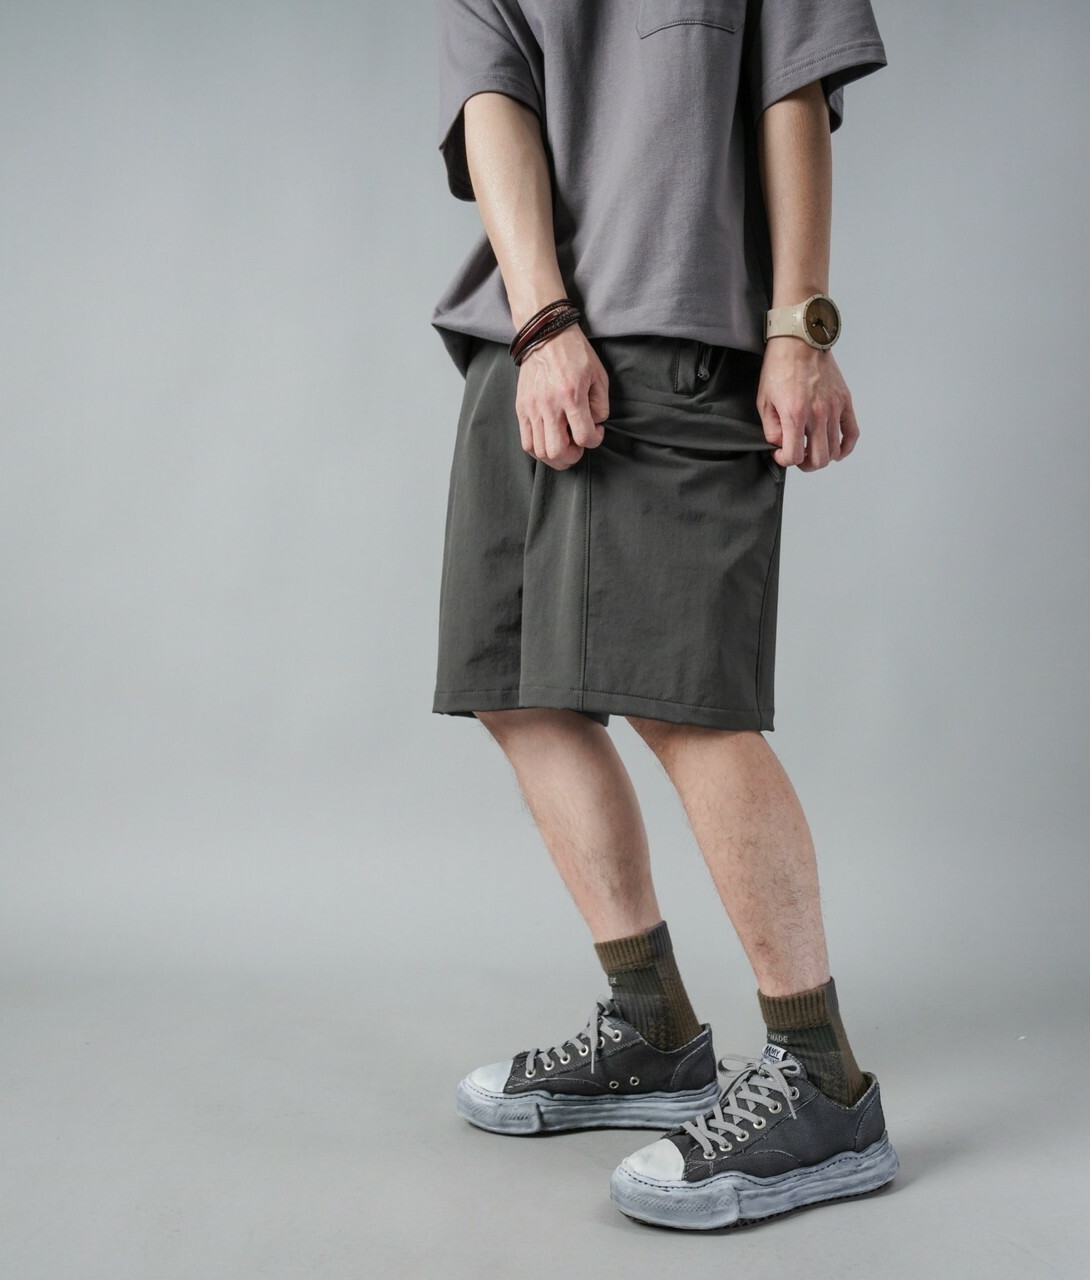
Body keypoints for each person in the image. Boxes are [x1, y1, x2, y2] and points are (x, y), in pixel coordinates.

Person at [428, 0, 897, 1230]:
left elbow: (790, 85)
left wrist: (799, 323)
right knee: (514, 689)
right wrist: (540, 321)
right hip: (526, 337)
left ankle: (821, 1080)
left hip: (685, 322)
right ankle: (651, 1026)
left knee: (685, 702)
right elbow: (493, 98)